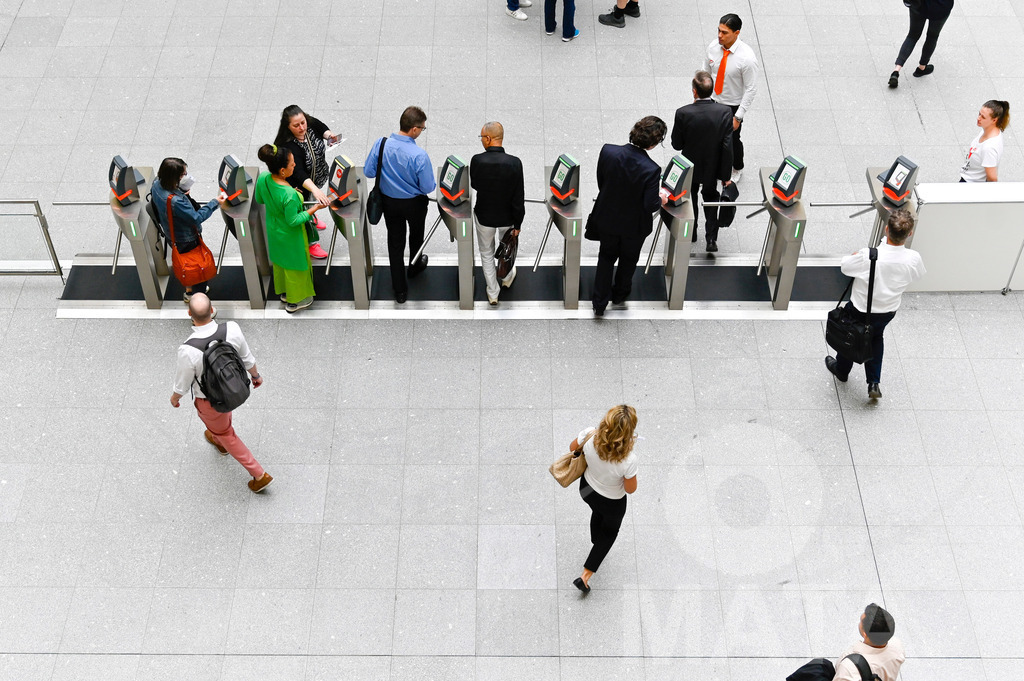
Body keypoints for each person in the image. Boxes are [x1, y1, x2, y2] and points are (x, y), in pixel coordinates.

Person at [170, 293, 272, 493]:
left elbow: (183, 382)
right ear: (212, 310)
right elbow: (247, 359)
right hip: (234, 387)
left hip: (210, 401)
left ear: (189, 313)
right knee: (220, 424)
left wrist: (175, 398)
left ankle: (259, 474)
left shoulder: (188, 349)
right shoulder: (232, 329)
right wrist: (256, 376)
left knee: (225, 433)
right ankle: (218, 440)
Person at [825, 208, 925, 399]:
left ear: (886, 229)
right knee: (876, 337)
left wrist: (854, 255)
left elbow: (845, 267)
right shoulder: (913, 259)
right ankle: (873, 382)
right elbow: (918, 275)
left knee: (851, 335)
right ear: (909, 233)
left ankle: (842, 370)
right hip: (888, 310)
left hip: (860, 308)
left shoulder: (869, 255)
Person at [586, 116, 667, 316]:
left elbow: (602, 181)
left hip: (607, 218)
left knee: (605, 257)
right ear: (653, 144)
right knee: (629, 260)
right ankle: (620, 294)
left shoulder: (608, 151)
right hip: (634, 226)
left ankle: (599, 303)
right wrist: (662, 199)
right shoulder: (651, 169)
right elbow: (650, 205)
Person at [364, 106, 436, 304]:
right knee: (416, 235)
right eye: (422, 128)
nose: (422, 131)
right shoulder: (419, 156)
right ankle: (415, 265)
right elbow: (428, 186)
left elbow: (369, 172)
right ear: (413, 129)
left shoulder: (381, 144)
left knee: (395, 242)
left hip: (389, 203)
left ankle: (400, 290)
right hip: (414, 204)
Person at [570, 405, 639, 594]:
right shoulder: (629, 459)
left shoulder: (590, 434)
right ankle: (585, 576)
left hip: (586, 489)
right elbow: (630, 489)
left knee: (596, 511)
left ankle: (595, 539)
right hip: (612, 503)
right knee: (609, 532)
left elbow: (572, 448)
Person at [254, 144, 329, 313]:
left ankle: (285, 293)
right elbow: (294, 220)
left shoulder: (264, 178)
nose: (295, 166)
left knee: (281, 263)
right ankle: (297, 300)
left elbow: (260, 199)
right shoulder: (290, 195)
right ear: (282, 170)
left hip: (274, 231)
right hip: (291, 236)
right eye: (292, 164)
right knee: (296, 267)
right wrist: (314, 209)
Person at [671, 70, 735, 253]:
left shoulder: (683, 113)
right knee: (711, 198)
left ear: (694, 91)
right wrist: (725, 175)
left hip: (690, 166)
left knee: (689, 198)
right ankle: (711, 239)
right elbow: (727, 146)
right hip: (712, 167)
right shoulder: (725, 112)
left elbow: (677, 144)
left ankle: (691, 232)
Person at [151, 157, 226, 302]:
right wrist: (215, 203)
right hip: (186, 238)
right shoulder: (176, 201)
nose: (185, 176)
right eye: (182, 174)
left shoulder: (156, 184)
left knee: (187, 263)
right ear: (174, 177)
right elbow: (196, 218)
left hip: (170, 233)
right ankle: (197, 297)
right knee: (198, 269)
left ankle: (189, 289)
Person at [273, 105, 341, 260]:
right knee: (303, 208)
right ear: (288, 126)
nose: (302, 127)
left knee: (311, 202)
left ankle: (312, 217)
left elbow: (321, 127)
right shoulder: (288, 146)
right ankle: (311, 243)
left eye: (303, 122)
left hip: (316, 176)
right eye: (296, 125)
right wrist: (315, 190)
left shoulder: (309, 123)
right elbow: (299, 173)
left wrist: (330, 136)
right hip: (300, 185)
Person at [470, 121, 525, 306]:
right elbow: (518, 197)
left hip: (484, 217)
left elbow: (475, 185)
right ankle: (508, 277)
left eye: (481, 137)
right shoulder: (515, 163)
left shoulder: (477, 160)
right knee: (506, 250)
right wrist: (517, 224)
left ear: (488, 138)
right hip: (507, 218)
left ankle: (493, 292)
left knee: (486, 253)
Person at [705, 13, 758, 183]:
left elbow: (751, 89)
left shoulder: (747, 59)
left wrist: (738, 116)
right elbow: (705, 73)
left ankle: (737, 168)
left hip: (732, 105)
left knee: (733, 140)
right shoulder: (713, 47)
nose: (720, 35)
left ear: (737, 33)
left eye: (725, 32)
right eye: (719, 31)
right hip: (713, 100)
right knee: (712, 136)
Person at [888, 0, 954, 88]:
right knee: (932, 37)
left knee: (912, 36)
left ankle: (896, 71)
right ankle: (922, 67)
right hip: (940, 8)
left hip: (918, 5)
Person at [834, 604, 905, 681]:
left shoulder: (849, 667)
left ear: (865, 634)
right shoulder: (897, 646)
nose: (859, 622)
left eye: (860, 621)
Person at [959, 100, 1010, 183]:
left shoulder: (989, 148)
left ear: (994, 120)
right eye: (979, 114)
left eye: (983, 117)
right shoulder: (986, 129)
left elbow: (992, 178)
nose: (978, 118)